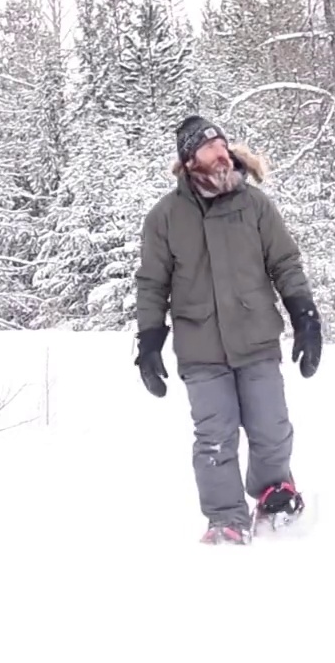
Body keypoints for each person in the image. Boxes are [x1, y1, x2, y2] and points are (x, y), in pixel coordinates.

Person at [134, 114, 322, 545]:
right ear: (189, 158)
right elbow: (152, 284)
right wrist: (149, 341)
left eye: (222, 143)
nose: (222, 152)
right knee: (214, 437)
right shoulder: (165, 217)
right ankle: (225, 518)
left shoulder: (255, 205)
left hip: (256, 337)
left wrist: (305, 317)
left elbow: (285, 264)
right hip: (200, 347)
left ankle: (275, 493)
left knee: (271, 426)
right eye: (209, 146)